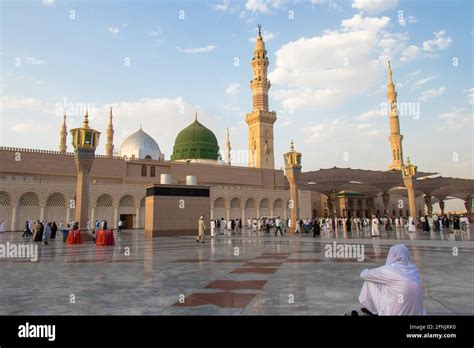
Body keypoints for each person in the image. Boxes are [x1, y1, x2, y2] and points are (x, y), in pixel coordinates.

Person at [358, 244, 426, 315]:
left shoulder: (388, 269)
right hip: (418, 313)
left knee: (370, 280)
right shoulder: (414, 269)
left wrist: (367, 270)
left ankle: (371, 309)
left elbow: (363, 275)